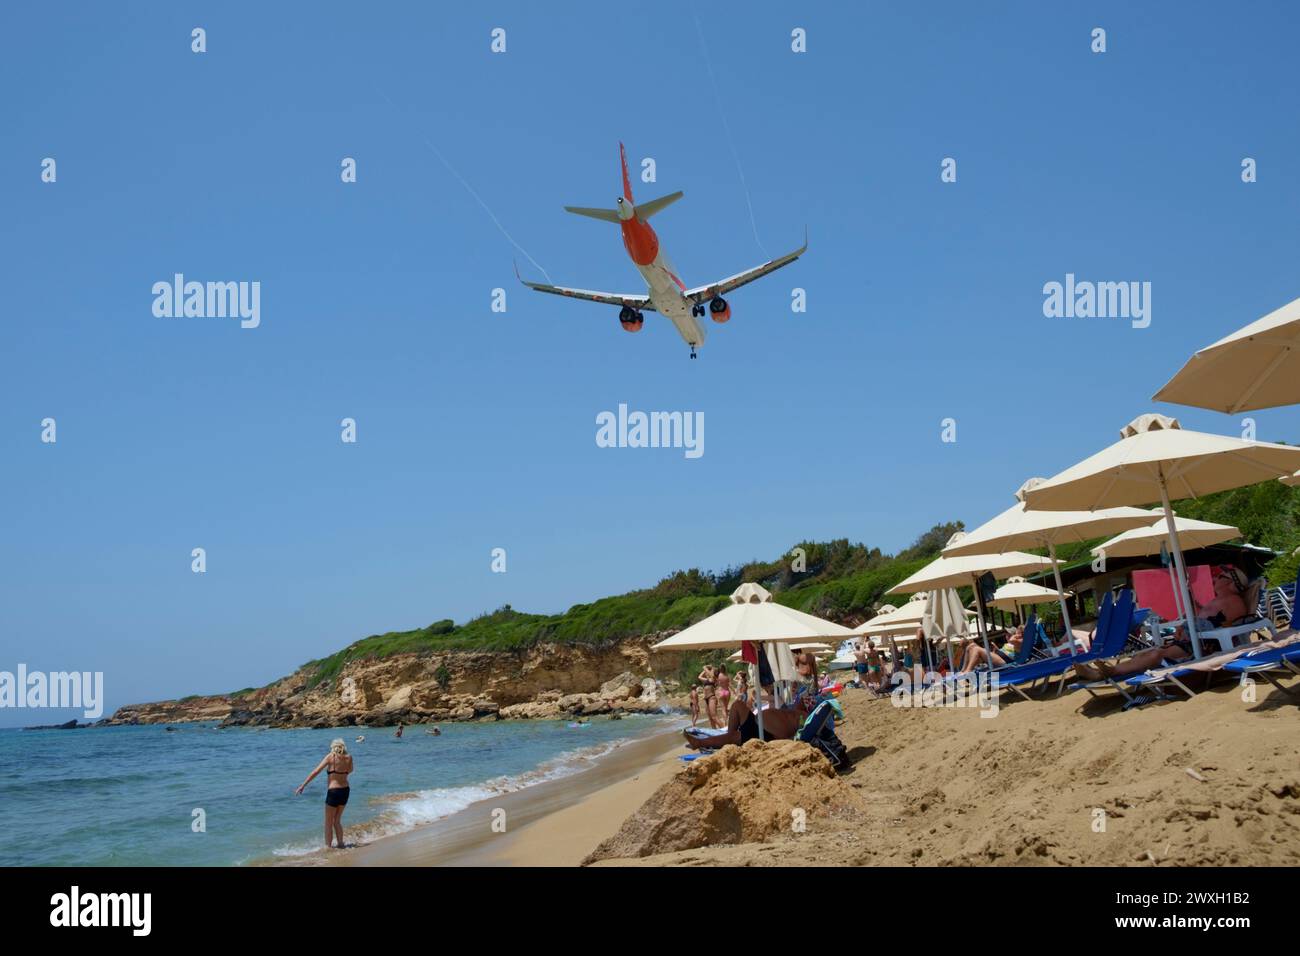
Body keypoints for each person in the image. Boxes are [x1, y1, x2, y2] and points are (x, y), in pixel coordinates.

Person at [1076, 567, 1252, 679]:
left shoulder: (1234, 601)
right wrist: (1187, 616)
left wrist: (1194, 631)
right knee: (1149, 652)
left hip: (1203, 645)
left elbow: (1229, 627)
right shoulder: (1217, 601)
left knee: (1155, 655)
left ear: (1230, 582)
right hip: (1190, 641)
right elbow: (1202, 617)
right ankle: (1101, 673)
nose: (1216, 579)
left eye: (1221, 576)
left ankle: (1109, 672)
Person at [682, 690, 803, 750]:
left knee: (735, 736)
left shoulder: (806, 716)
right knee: (737, 704)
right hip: (756, 723)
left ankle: (699, 743)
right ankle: (729, 738)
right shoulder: (799, 707)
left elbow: (802, 732)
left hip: (765, 734)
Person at [296, 738, 353, 850]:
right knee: (337, 821)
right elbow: (350, 770)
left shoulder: (330, 757)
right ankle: (341, 844)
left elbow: (315, 772)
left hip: (333, 791)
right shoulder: (349, 757)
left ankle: (328, 848)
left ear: (333, 747)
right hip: (345, 790)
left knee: (328, 822)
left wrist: (303, 785)